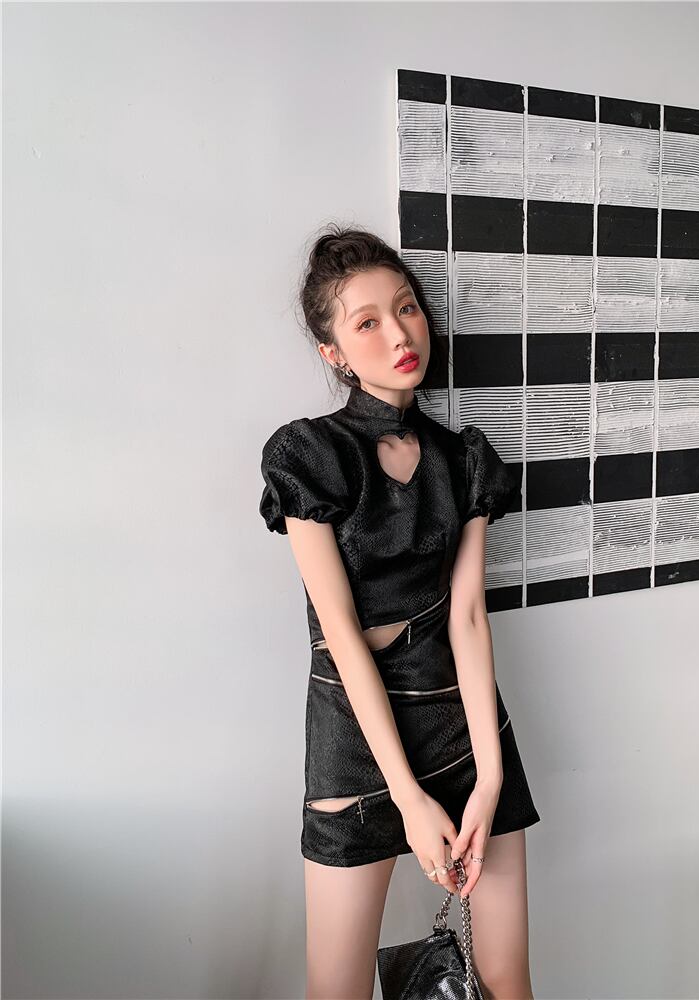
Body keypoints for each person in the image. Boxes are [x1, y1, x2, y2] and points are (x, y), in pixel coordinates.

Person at [259, 225, 541, 1000]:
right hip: (356, 739)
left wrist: (489, 778)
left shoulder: (464, 459)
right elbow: (341, 636)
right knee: (337, 990)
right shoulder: (309, 454)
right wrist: (409, 798)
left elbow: (469, 618)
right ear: (335, 353)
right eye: (368, 321)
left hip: (464, 728)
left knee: (506, 981)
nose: (400, 333)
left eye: (407, 307)